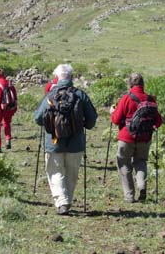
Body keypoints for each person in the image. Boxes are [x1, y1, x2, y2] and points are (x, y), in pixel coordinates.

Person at [34, 64, 97, 215]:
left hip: (53, 143)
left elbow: (37, 118)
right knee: (71, 173)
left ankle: (62, 201)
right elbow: (92, 120)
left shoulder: (50, 95)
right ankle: (66, 201)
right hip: (76, 143)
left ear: (56, 77)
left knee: (55, 172)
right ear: (71, 77)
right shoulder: (80, 95)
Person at [110, 73, 162, 203]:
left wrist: (112, 112)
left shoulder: (126, 98)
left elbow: (116, 120)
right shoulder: (150, 99)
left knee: (124, 164)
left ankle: (129, 196)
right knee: (141, 162)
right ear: (143, 84)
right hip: (145, 137)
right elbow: (158, 121)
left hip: (126, 137)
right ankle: (142, 186)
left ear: (130, 84)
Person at [0, 69, 18, 153]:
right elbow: (15, 98)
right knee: (7, 123)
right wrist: (14, 109)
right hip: (9, 108)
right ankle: (8, 139)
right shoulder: (10, 85)